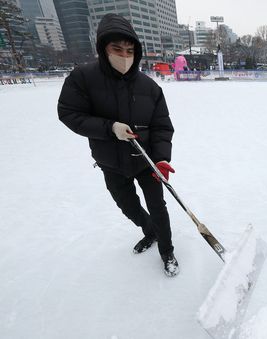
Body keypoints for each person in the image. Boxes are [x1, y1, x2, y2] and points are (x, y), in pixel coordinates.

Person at [57, 14, 179, 277]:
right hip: (111, 161)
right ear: (103, 48)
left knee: (158, 206)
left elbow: (162, 127)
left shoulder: (150, 87)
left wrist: (160, 159)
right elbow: (69, 113)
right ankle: (150, 232)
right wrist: (110, 128)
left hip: (146, 160)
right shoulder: (83, 78)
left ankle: (167, 250)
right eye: (117, 49)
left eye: (130, 50)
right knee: (128, 206)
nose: (124, 55)